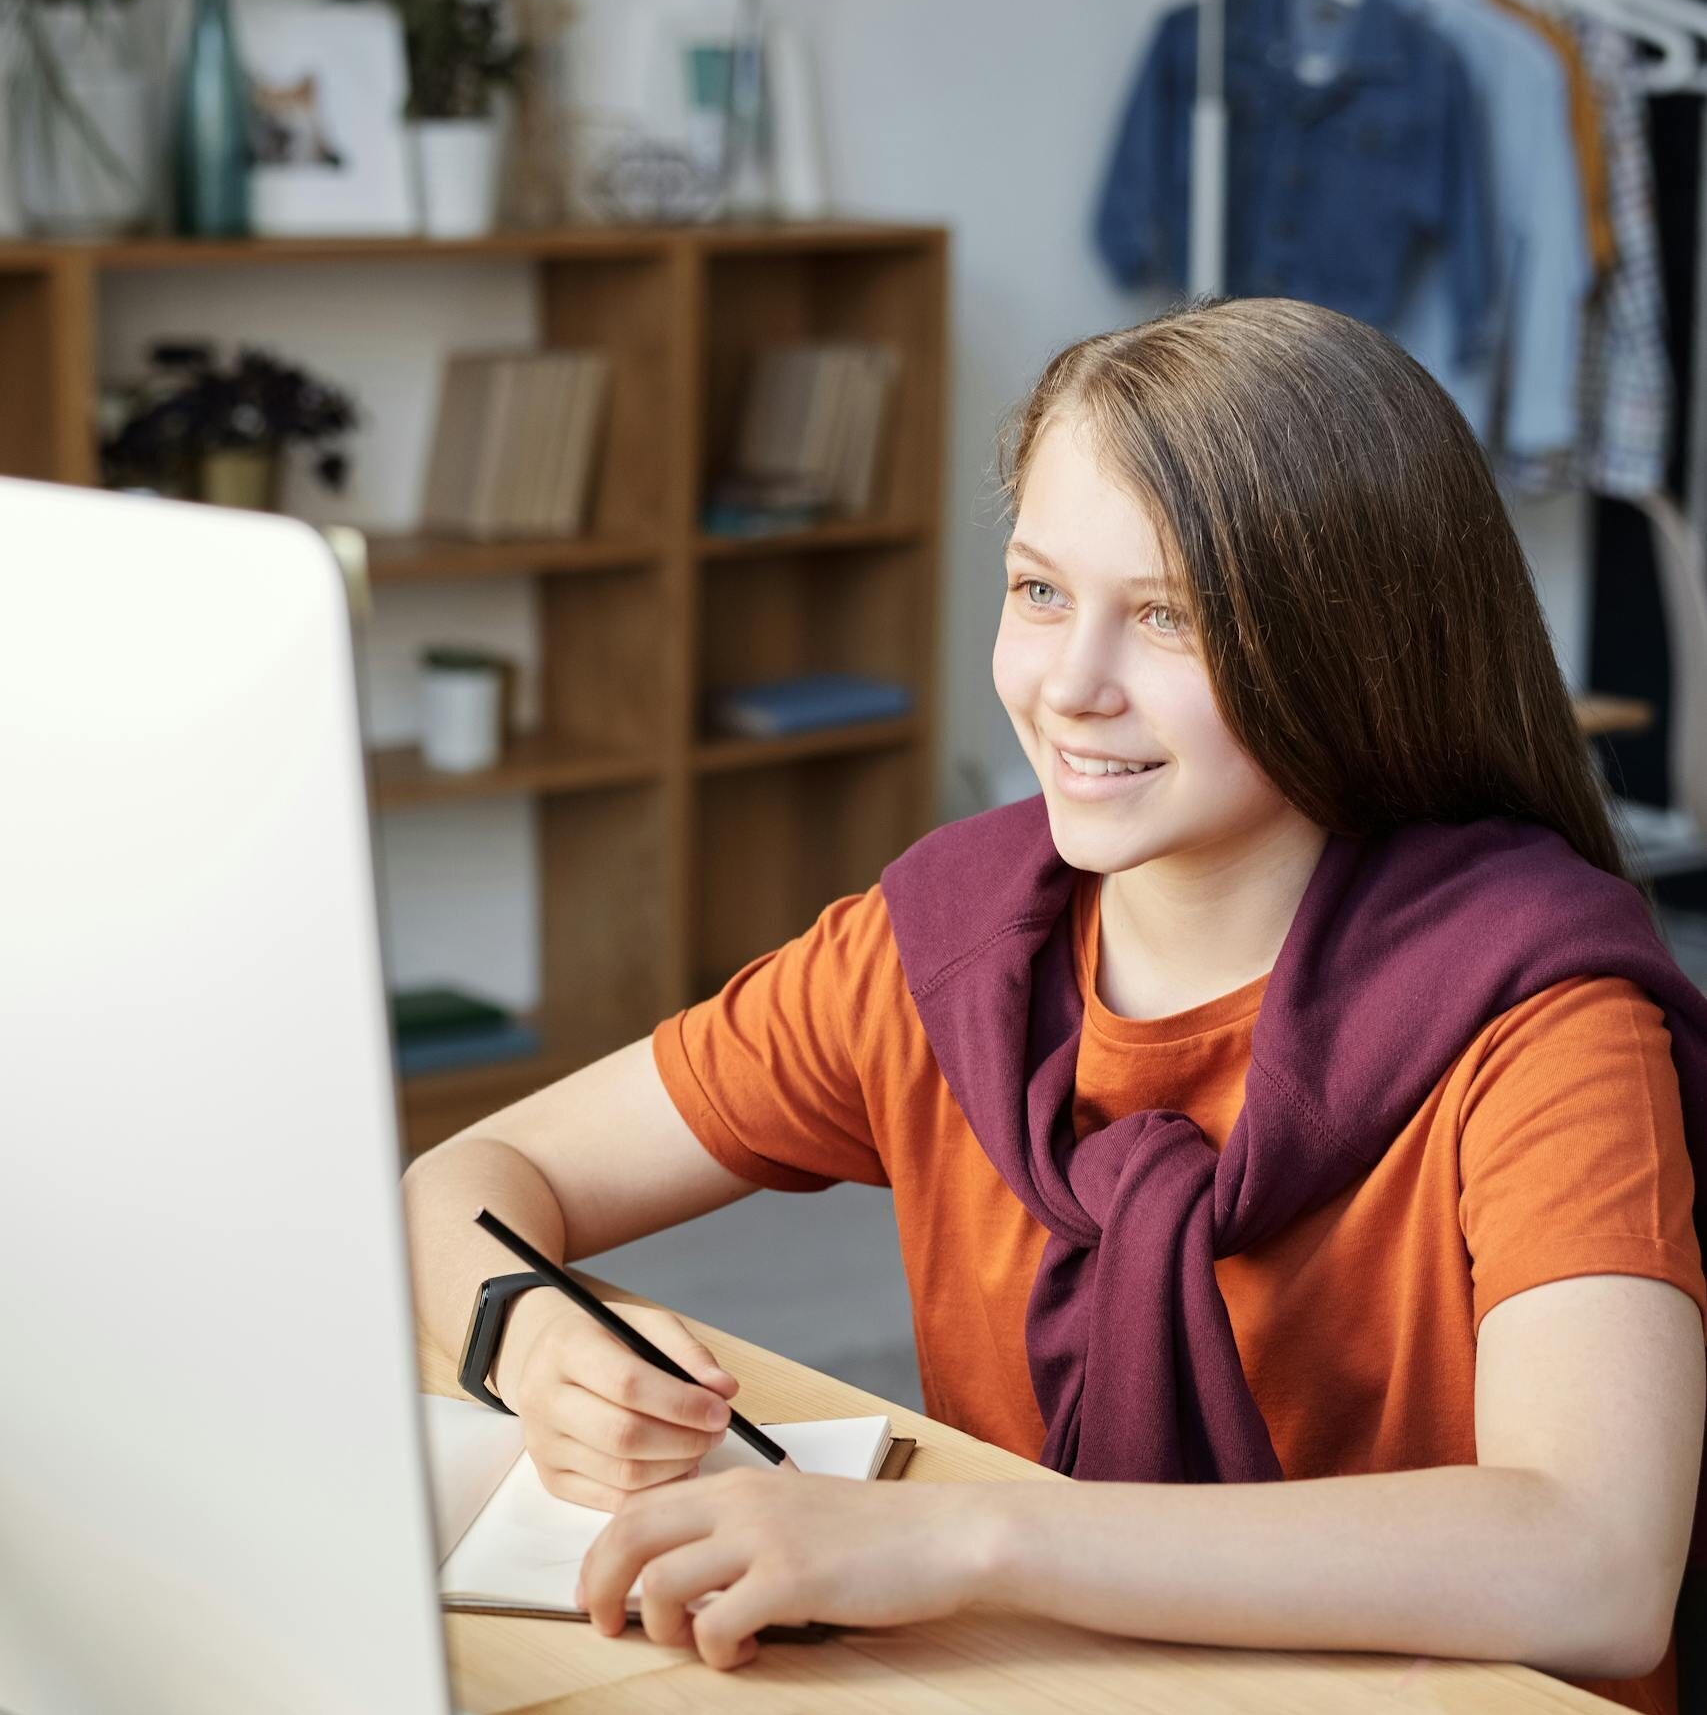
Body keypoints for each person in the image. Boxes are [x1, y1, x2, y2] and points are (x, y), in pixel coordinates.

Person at [403, 297, 1707, 1711]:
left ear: (1352, 643)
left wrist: (966, 1535)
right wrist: (535, 1340)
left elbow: (1594, 1557)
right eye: (1039, 592)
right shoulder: (944, 950)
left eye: (1168, 615)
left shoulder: (1546, 1021)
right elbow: (466, 1178)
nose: (1070, 686)